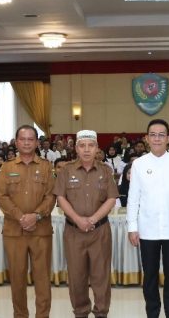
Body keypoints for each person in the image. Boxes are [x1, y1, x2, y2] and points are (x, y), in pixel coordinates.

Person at [127, 119, 169, 318]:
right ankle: (152, 314)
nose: (157, 138)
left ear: (168, 138)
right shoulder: (138, 164)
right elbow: (133, 198)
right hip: (147, 230)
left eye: (161, 135)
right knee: (150, 277)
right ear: (146, 138)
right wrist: (132, 227)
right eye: (153, 135)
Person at [54, 130, 119, 318]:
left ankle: (101, 313)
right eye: (82, 146)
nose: (87, 150)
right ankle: (80, 312)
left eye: (91, 145)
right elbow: (61, 198)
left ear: (97, 148)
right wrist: (78, 219)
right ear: (76, 148)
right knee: (76, 277)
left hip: (100, 231)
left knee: (101, 276)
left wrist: (92, 219)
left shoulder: (105, 171)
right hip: (74, 232)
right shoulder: (66, 170)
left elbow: (111, 199)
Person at [0, 125, 56, 318]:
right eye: (23, 139)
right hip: (14, 231)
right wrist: (21, 217)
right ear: (16, 142)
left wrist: (35, 215)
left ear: (37, 142)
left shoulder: (46, 167)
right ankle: (20, 315)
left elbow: (51, 196)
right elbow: (2, 197)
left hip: (41, 231)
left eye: (31, 139)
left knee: (42, 278)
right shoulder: (7, 167)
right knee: (17, 278)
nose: (27, 143)